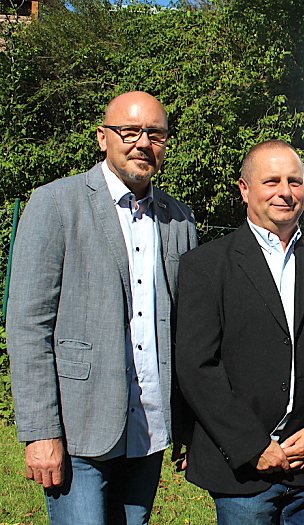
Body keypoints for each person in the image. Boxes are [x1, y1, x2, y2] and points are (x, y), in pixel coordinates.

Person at [6, 91, 198, 524]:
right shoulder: (56, 204)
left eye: (155, 133)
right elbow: (27, 325)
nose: (142, 143)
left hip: (149, 427)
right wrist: (41, 432)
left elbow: (186, 330)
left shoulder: (179, 219)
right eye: (129, 132)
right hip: (78, 428)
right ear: (102, 138)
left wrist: (187, 422)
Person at [175, 140, 304, 524]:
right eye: (271, 181)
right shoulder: (205, 266)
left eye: (295, 181)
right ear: (244, 189)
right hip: (243, 473)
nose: (285, 192)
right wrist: (252, 446)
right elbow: (196, 367)